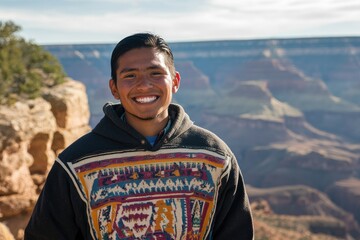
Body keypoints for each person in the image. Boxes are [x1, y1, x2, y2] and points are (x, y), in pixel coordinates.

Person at [25, 33, 254, 240]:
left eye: (156, 73)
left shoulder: (214, 156)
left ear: (175, 82)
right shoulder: (76, 163)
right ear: (114, 88)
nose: (144, 85)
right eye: (130, 76)